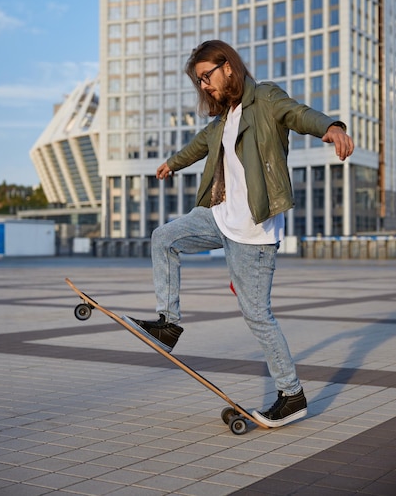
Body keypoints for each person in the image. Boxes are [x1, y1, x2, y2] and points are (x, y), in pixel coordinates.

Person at [124, 40, 354, 428]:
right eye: (198, 82)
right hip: (219, 217)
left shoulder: (264, 98)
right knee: (164, 237)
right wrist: (170, 164)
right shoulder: (222, 119)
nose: (203, 87)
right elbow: (198, 146)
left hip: (254, 231)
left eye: (206, 77)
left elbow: (296, 114)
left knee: (257, 316)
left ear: (227, 66)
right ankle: (167, 323)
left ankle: (291, 395)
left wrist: (330, 127)